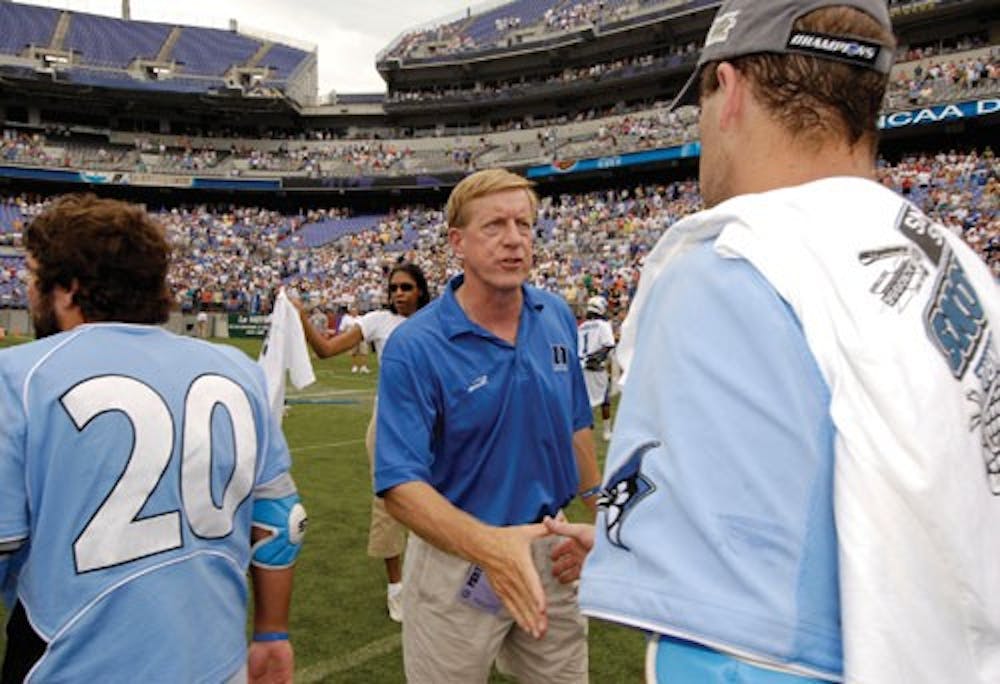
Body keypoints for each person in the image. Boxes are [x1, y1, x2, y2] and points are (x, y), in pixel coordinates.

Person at [548, 1, 1000, 683]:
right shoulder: (958, 263)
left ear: (729, 90)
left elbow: (743, 648)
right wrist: (660, 547)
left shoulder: (732, 261)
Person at [0, 195, 305, 683]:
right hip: (215, 662)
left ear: (69, 287)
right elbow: (280, 520)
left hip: (74, 664)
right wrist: (271, 633)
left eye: (35, 275)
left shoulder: (18, 377)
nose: (28, 289)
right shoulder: (235, 369)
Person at [374, 168, 602, 683]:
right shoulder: (417, 346)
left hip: (548, 544)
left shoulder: (556, 315)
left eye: (524, 224)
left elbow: (576, 427)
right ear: (457, 242)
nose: (514, 240)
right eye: (495, 226)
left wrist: (603, 524)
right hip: (457, 560)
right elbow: (399, 487)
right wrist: (488, 547)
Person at [294, 262, 431, 623]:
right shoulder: (377, 322)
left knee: (435, 502)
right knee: (388, 503)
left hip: (432, 426)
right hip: (388, 424)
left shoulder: (438, 321)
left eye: (406, 287)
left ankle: (427, 581)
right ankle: (396, 588)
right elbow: (325, 349)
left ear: (421, 290)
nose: (398, 293)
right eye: (394, 288)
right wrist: (301, 318)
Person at [577, 295, 616, 441]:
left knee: (586, 402)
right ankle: (607, 432)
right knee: (604, 400)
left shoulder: (581, 327)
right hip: (595, 367)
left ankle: (587, 431)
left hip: (581, 366)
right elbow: (608, 345)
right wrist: (597, 358)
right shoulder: (602, 325)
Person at [339, 305, 370, 373]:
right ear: (350, 312)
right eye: (352, 311)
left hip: (361, 337)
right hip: (351, 338)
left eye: (355, 311)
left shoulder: (361, 318)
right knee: (353, 353)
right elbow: (341, 329)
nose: (354, 312)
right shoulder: (346, 318)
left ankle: (363, 367)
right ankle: (354, 366)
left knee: (364, 352)